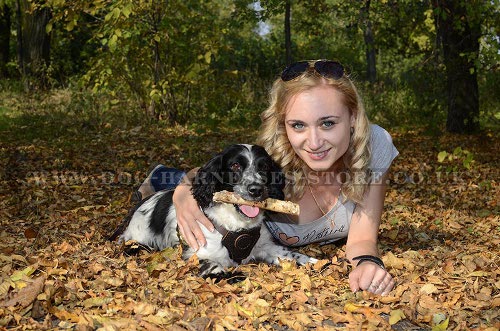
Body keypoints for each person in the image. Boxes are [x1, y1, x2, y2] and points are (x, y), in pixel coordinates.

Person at [135, 60, 398, 296]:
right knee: (175, 185)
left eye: (328, 123)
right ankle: (162, 177)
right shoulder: (271, 158)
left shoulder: (373, 146)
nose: (315, 142)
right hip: (192, 191)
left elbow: (363, 237)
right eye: (298, 125)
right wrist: (182, 193)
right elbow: (212, 171)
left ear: (352, 117)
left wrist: (367, 263)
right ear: (283, 125)